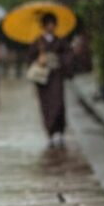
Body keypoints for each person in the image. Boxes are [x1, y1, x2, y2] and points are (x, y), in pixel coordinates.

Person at [28, 14, 70, 148]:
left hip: (56, 76)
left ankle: (60, 130)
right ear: (45, 25)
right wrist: (39, 60)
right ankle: (50, 132)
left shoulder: (61, 41)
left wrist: (61, 61)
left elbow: (68, 55)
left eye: (53, 23)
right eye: (49, 24)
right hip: (44, 79)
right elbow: (30, 58)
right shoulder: (38, 42)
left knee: (58, 103)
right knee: (46, 105)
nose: (51, 26)